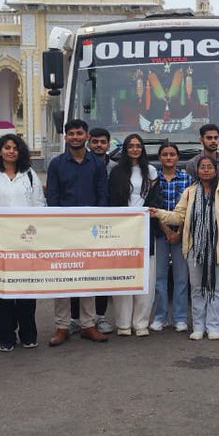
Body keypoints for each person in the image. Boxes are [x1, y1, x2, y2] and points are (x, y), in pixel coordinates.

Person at [151, 155, 219, 341]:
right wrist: (158, 213)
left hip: (218, 249)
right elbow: (178, 216)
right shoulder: (190, 192)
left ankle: (214, 326)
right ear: (197, 171)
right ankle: (199, 326)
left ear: (216, 170)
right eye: (203, 167)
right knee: (197, 289)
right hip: (195, 250)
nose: (206, 170)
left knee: (216, 288)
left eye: (210, 167)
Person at [46, 119, 110, 346]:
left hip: (89, 229)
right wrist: (56, 224)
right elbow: (52, 196)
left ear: (86, 136)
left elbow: (102, 195)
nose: (75, 137)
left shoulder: (97, 164)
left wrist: (97, 222)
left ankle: (88, 325)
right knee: (62, 277)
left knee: (88, 276)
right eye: (71, 133)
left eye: (79, 133)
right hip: (63, 228)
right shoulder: (57, 164)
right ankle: (62, 326)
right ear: (65, 137)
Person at [0, 134, 44, 352]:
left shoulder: (29, 176)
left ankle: (28, 334)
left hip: (27, 242)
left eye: (15, 148)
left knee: (26, 292)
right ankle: (6, 336)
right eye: (7, 147)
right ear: (0, 151)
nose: (11, 151)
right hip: (0, 244)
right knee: (2, 293)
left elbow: (40, 206)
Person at [107, 134, 159, 337]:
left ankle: (141, 323)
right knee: (122, 275)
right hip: (122, 230)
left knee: (146, 276)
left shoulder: (152, 171)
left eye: (139, 146)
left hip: (145, 229)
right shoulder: (116, 171)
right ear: (125, 149)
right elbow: (112, 200)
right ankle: (123, 323)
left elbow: (156, 199)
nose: (135, 149)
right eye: (131, 146)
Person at [73, 126, 113, 335]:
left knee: (100, 274)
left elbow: (107, 196)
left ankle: (99, 316)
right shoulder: (71, 163)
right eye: (95, 141)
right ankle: (74, 319)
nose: (99, 145)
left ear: (109, 144)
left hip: (101, 227)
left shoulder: (114, 167)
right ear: (89, 141)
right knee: (73, 273)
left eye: (103, 142)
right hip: (73, 227)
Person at [150, 142, 191, 333]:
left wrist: (179, 232)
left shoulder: (187, 179)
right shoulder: (153, 179)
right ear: (160, 157)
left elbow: (189, 209)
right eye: (165, 154)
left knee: (181, 278)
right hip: (160, 232)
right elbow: (153, 206)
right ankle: (160, 317)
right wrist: (166, 231)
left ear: (177, 157)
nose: (168, 157)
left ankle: (180, 318)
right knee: (159, 278)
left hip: (182, 233)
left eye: (172, 154)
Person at [185, 123, 219, 190]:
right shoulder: (192, 164)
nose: (213, 141)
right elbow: (190, 190)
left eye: (216, 138)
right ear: (201, 140)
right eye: (209, 138)